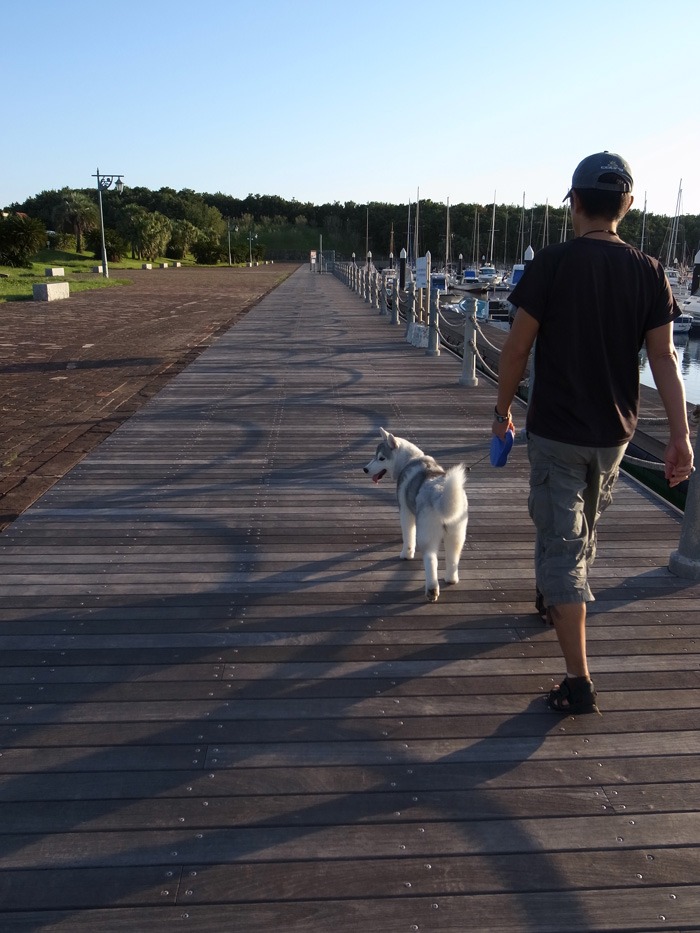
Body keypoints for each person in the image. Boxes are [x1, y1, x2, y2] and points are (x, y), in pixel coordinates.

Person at [492, 151, 694, 715]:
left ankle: (578, 682)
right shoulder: (650, 271)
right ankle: (553, 597)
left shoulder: (551, 264)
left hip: (557, 430)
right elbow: (664, 361)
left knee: (562, 539)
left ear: (575, 203)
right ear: (626, 207)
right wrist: (680, 435)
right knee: (576, 533)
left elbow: (515, 349)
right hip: (615, 436)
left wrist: (501, 410)